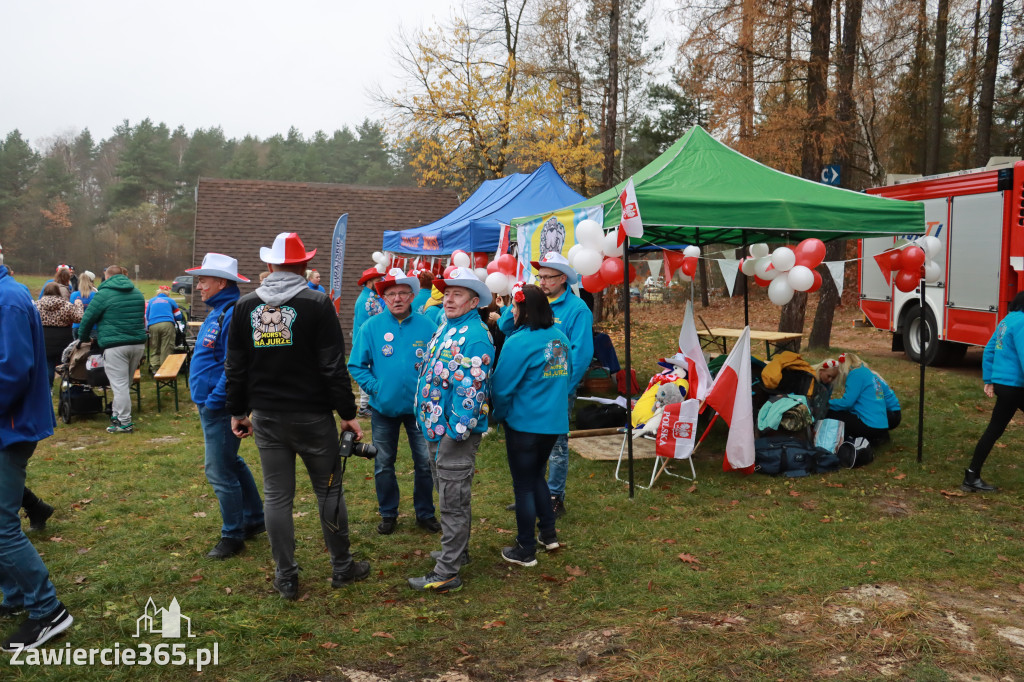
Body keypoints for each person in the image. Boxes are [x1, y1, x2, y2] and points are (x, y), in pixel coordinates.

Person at [225, 232, 368, 600]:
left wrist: (238, 412)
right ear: (305, 265)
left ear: (270, 265)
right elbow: (332, 366)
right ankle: (342, 567)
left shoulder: (245, 307)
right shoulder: (318, 304)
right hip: (312, 417)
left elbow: (235, 367)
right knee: (329, 490)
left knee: (276, 497)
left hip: (269, 416)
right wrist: (348, 413)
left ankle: (285, 577)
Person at [0, 251, 74, 651]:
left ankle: (48, 611)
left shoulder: (7, 298)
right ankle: (16, 597)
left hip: (9, 428)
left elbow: (12, 371)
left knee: (1, 527)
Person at [407, 268, 495, 593]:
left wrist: (454, 434)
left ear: (474, 301)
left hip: (453, 433)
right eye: (448, 293)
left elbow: (470, 393)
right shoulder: (447, 327)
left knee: (453, 499)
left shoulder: (474, 334)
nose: (449, 299)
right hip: (435, 427)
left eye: (458, 294)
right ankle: (457, 551)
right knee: (449, 494)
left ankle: (446, 572)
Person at [497, 252, 593, 518]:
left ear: (563, 279)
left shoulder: (577, 310)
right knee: (531, 445)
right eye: (540, 277)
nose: (543, 282)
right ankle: (530, 491)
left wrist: (564, 388)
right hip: (530, 391)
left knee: (557, 445)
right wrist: (516, 301)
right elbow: (506, 327)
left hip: (557, 389)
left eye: (548, 277)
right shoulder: (534, 301)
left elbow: (581, 353)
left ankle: (554, 496)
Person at [348, 268, 440, 536]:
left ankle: (425, 513)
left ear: (412, 295)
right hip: (383, 409)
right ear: (383, 298)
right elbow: (357, 365)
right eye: (391, 294)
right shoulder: (371, 327)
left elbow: (438, 364)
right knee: (383, 463)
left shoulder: (429, 326)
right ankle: (388, 513)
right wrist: (376, 388)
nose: (397, 298)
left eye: (402, 293)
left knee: (425, 462)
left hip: (420, 410)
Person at [185, 253, 265, 559]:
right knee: (230, 462)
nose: (199, 287)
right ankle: (254, 519)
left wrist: (216, 400)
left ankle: (233, 534)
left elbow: (235, 366)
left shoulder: (232, 313)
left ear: (221, 282)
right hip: (213, 404)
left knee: (218, 470)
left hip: (219, 406)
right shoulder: (219, 310)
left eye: (203, 281)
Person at [491, 283, 571, 567]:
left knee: (523, 485)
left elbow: (501, 387)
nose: (511, 311)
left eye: (514, 306)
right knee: (536, 474)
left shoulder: (518, 342)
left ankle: (525, 549)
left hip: (525, 424)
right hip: (552, 424)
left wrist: (497, 415)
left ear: (524, 310)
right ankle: (548, 533)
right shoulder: (559, 338)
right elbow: (564, 378)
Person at [963, 292, 1024, 492]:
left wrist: (989, 379)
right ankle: (971, 477)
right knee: (994, 429)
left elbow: (989, 349)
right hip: (1016, 385)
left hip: (1004, 385)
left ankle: (971, 476)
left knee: (994, 430)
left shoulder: (1006, 321)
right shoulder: (1023, 322)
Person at [77, 265, 146, 434]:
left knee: (119, 385)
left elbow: (88, 318)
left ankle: (124, 422)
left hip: (115, 345)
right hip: (137, 344)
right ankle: (116, 415)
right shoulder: (137, 293)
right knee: (125, 384)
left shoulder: (104, 294)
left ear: (107, 277)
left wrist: (84, 338)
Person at [818, 352, 900, 446]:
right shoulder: (866, 372)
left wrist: (827, 403)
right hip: (882, 425)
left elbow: (846, 403)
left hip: (870, 426)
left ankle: (831, 439)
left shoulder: (854, 374)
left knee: (830, 412)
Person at [34, 282, 82, 389]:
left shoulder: (37, 305)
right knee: (64, 362)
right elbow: (79, 318)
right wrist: (78, 305)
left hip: (44, 337)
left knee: (48, 363)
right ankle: (66, 382)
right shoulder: (66, 305)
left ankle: (48, 388)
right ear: (58, 291)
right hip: (63, 338)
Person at [352, 266, 385, 417]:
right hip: (368, 343)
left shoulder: (372, 298)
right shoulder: (367, 301)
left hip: (371, 341)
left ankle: (367, 404)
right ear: (369, 282)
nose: (381, 283)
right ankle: (364, 406)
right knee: (366, 370)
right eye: (378, 281)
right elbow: (367, 326)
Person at [145, 286, 183, 371]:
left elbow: (147, 316)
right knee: (166, 347)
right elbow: (179, 316)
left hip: (153, 325)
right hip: (167, 324)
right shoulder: (170, 301)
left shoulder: (151, 301)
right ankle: (164, 370)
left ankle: (154, 368)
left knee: (155, 347)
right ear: (168, 294)